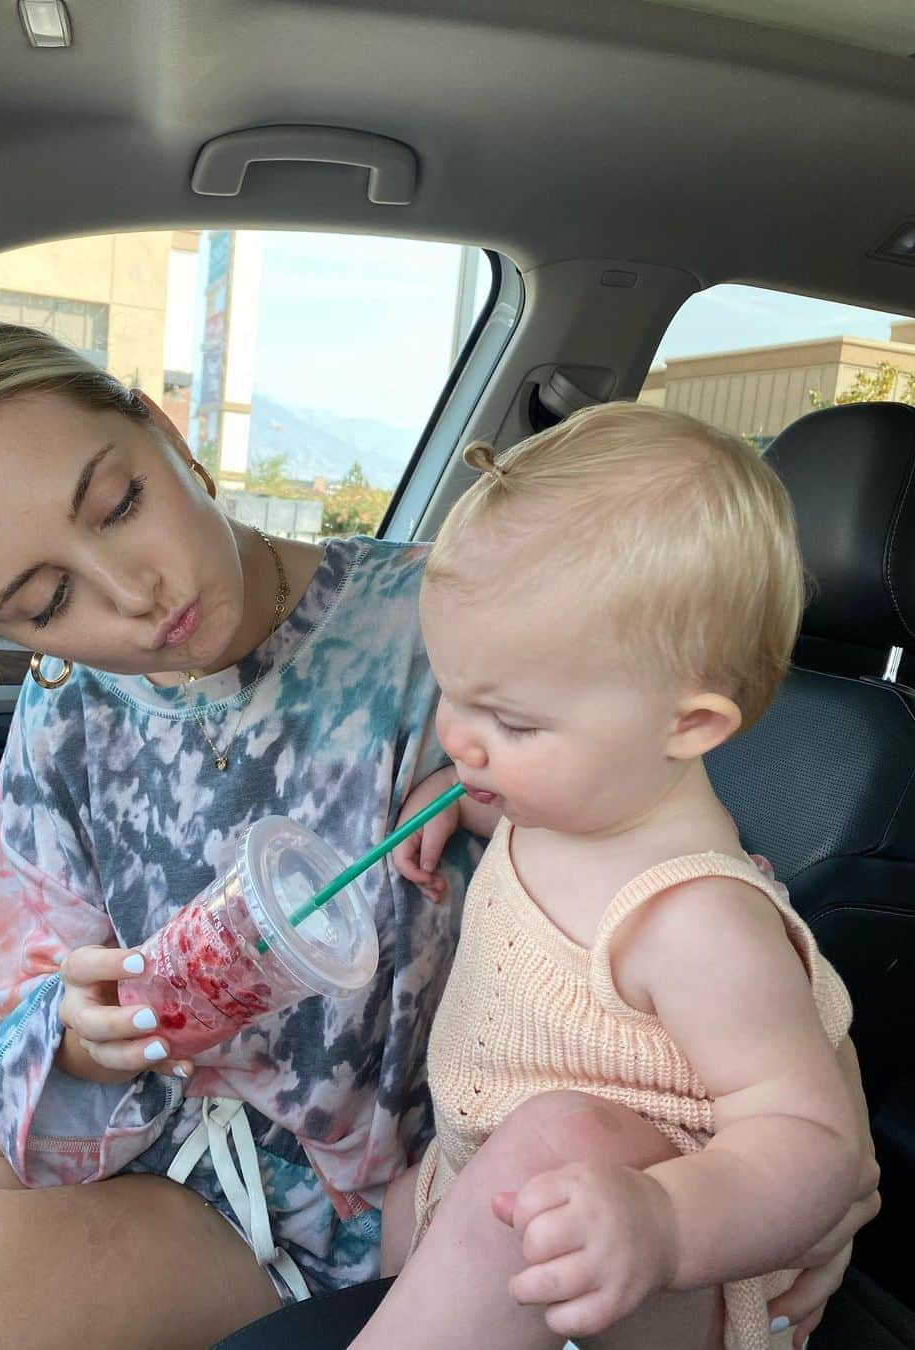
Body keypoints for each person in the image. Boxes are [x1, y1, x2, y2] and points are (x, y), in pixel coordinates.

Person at [0, 322, 875, 1350]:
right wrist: (73, 1030)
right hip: (136, 1092)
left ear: (163, 428)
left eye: (119, 504)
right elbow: (28, 976)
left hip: (324, 1187)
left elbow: (689, 877)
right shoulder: (70, 694)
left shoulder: (465, 620)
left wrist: (824, 1147)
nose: (132, 595)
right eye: (49, 601)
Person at [356, 405, 877, 1350]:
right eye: (452, 691)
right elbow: (513, 797)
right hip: (507, 1188)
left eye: (509, 723)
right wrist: (459, 792)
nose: (461, 735)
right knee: (413, 1205)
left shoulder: (695, 921)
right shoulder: (564, 797)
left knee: (553, 1145)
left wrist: (664, 1224)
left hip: (671, 1269)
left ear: (689, 728)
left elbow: (815, 1143)